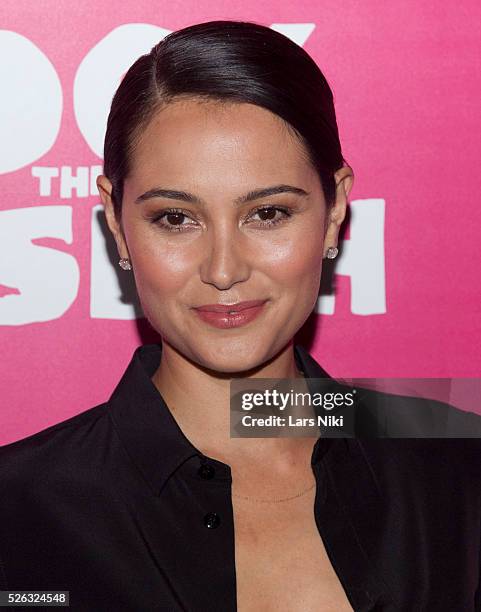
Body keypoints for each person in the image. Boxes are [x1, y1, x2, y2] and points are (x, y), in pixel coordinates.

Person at [0, 20, 480, 612]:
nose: (223, 270)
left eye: (269, 213)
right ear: (115, 222)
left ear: (334, 213)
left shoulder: (456, 469)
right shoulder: (18, 510)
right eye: (176, 218)